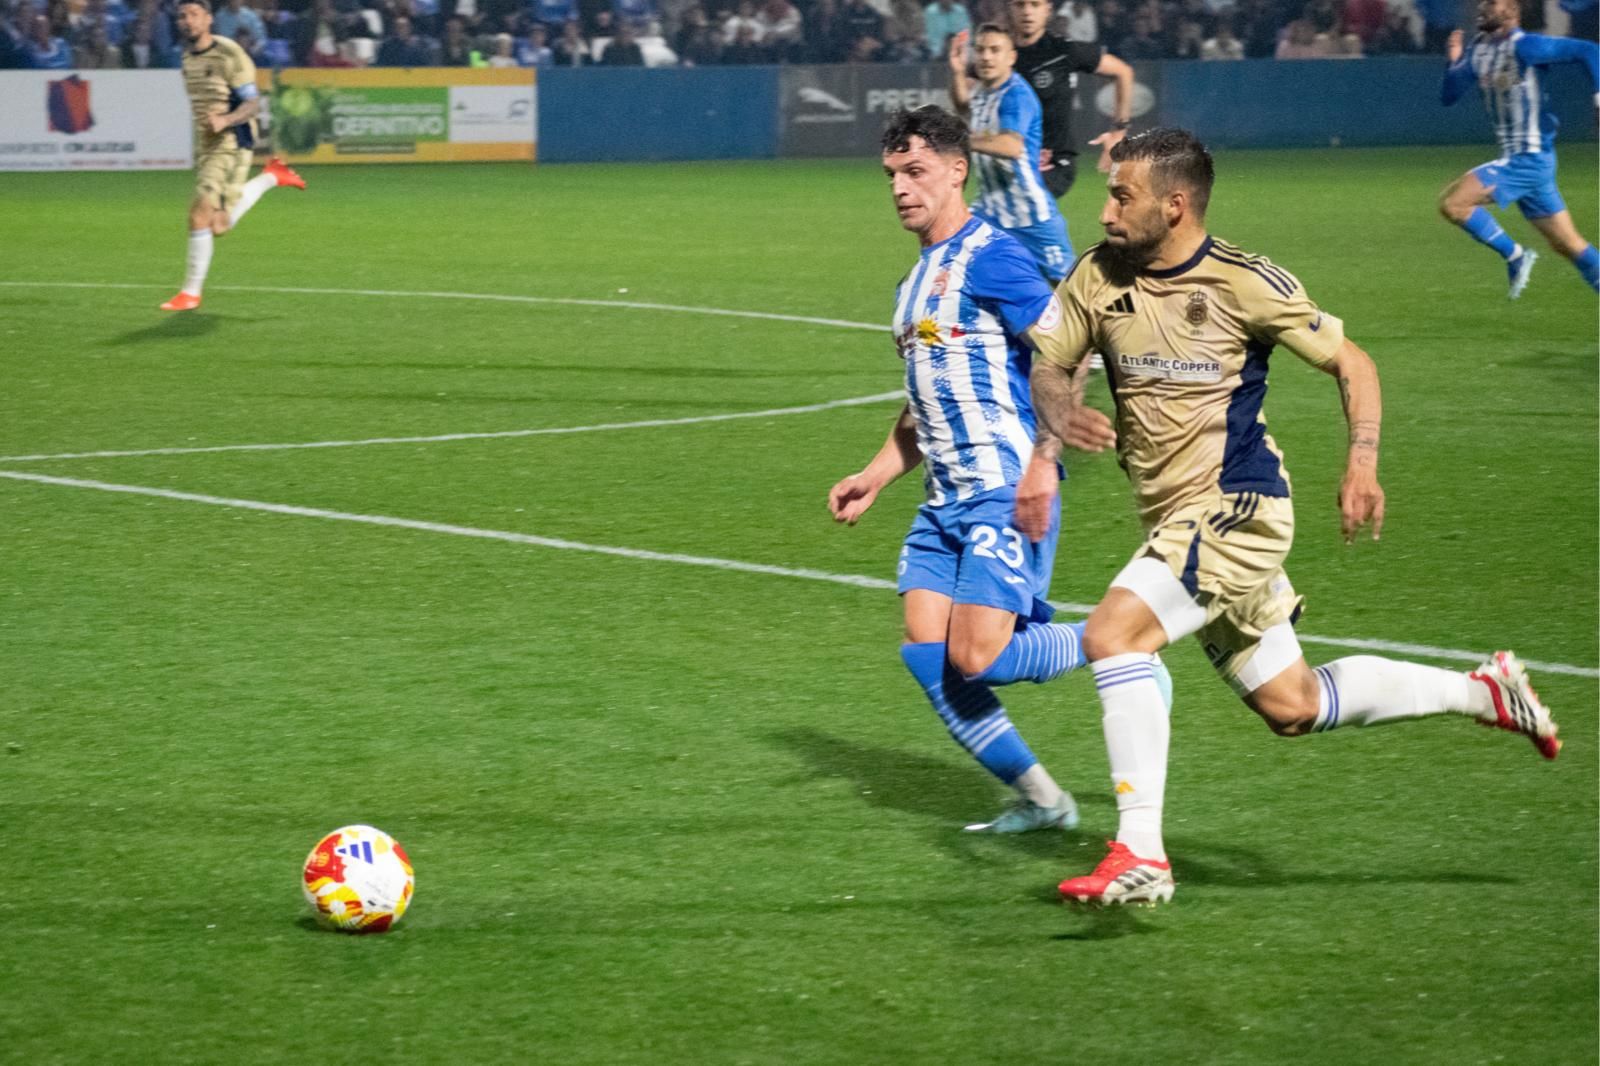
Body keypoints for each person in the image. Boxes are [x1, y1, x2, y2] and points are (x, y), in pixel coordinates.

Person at [1017, 127, 1561, 907]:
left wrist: (1362, 460)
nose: (1104, 211)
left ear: (1175, 206)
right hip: (1175, 521)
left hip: (1239, 508)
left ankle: (1140, 852)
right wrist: (1058, 417)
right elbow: (1049, 364)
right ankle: (1486, 692)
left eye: (1121, 195)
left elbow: (1353, 362)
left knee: (1113, 633)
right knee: (1294, 706)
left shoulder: (1245, 282)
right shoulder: (1097, 276)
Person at [828, 106, 1165, 835]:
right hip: (941, 500)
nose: (900, 189)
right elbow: (923, 409)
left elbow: (1065, 352)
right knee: (929, 656)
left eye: (916, 172)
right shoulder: (910, 287)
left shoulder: (994, 257)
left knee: (977, 655)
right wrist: (876, 473)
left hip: (1001, 488)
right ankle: (1046, 801)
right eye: (892, 176)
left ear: (958, 171)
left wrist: (1045, 459)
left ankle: (1120, 637)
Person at [1437, 0, 1599, 297]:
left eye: (1492, 3)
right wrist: (1454, 60)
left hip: (1529, 159)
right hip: (1525, 162)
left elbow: (1590, 50)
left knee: (1454, 203)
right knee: (1569, 245)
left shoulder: (1526, 46)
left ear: (1511, 11)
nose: (1483, 7)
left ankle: (1515, 255)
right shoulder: (1479, 50)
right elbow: (1449, 95)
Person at [160, 0, 304, 312]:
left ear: (209, 19)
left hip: (232, 139)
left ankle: (190, 294)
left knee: (199, 213)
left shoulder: (229, 52)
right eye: (182, 16)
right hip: (208, 143)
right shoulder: (186, 57)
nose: (187, 21)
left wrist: (224, 120)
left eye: (194, 14)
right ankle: (271, 177)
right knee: (218, 225)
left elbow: (252, 104)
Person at [948, 25, 1076, 282]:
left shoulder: (1016, 95)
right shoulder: (983, 91)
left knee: (1069, 290)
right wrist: (958, 71)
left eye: (995, 50)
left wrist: (960, 140)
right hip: (989, 211)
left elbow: (1011, 146)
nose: (986, 57)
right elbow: (963, 106)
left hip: (1029, 215)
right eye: (981, 50)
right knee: (955, 268)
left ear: (1011, 57)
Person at [1007, 0, 1133, 199]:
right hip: (1009, 158)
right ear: (1010, 8)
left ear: (1048, 10)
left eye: (1035, 4)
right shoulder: (998, 54)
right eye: (1020, 4)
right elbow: (966, 100)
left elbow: (1123, 72)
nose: (1027, 11)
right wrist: (959, 72)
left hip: (1053, 163)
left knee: (1020, 205)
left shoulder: (1063, 51)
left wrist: (1119, 130)